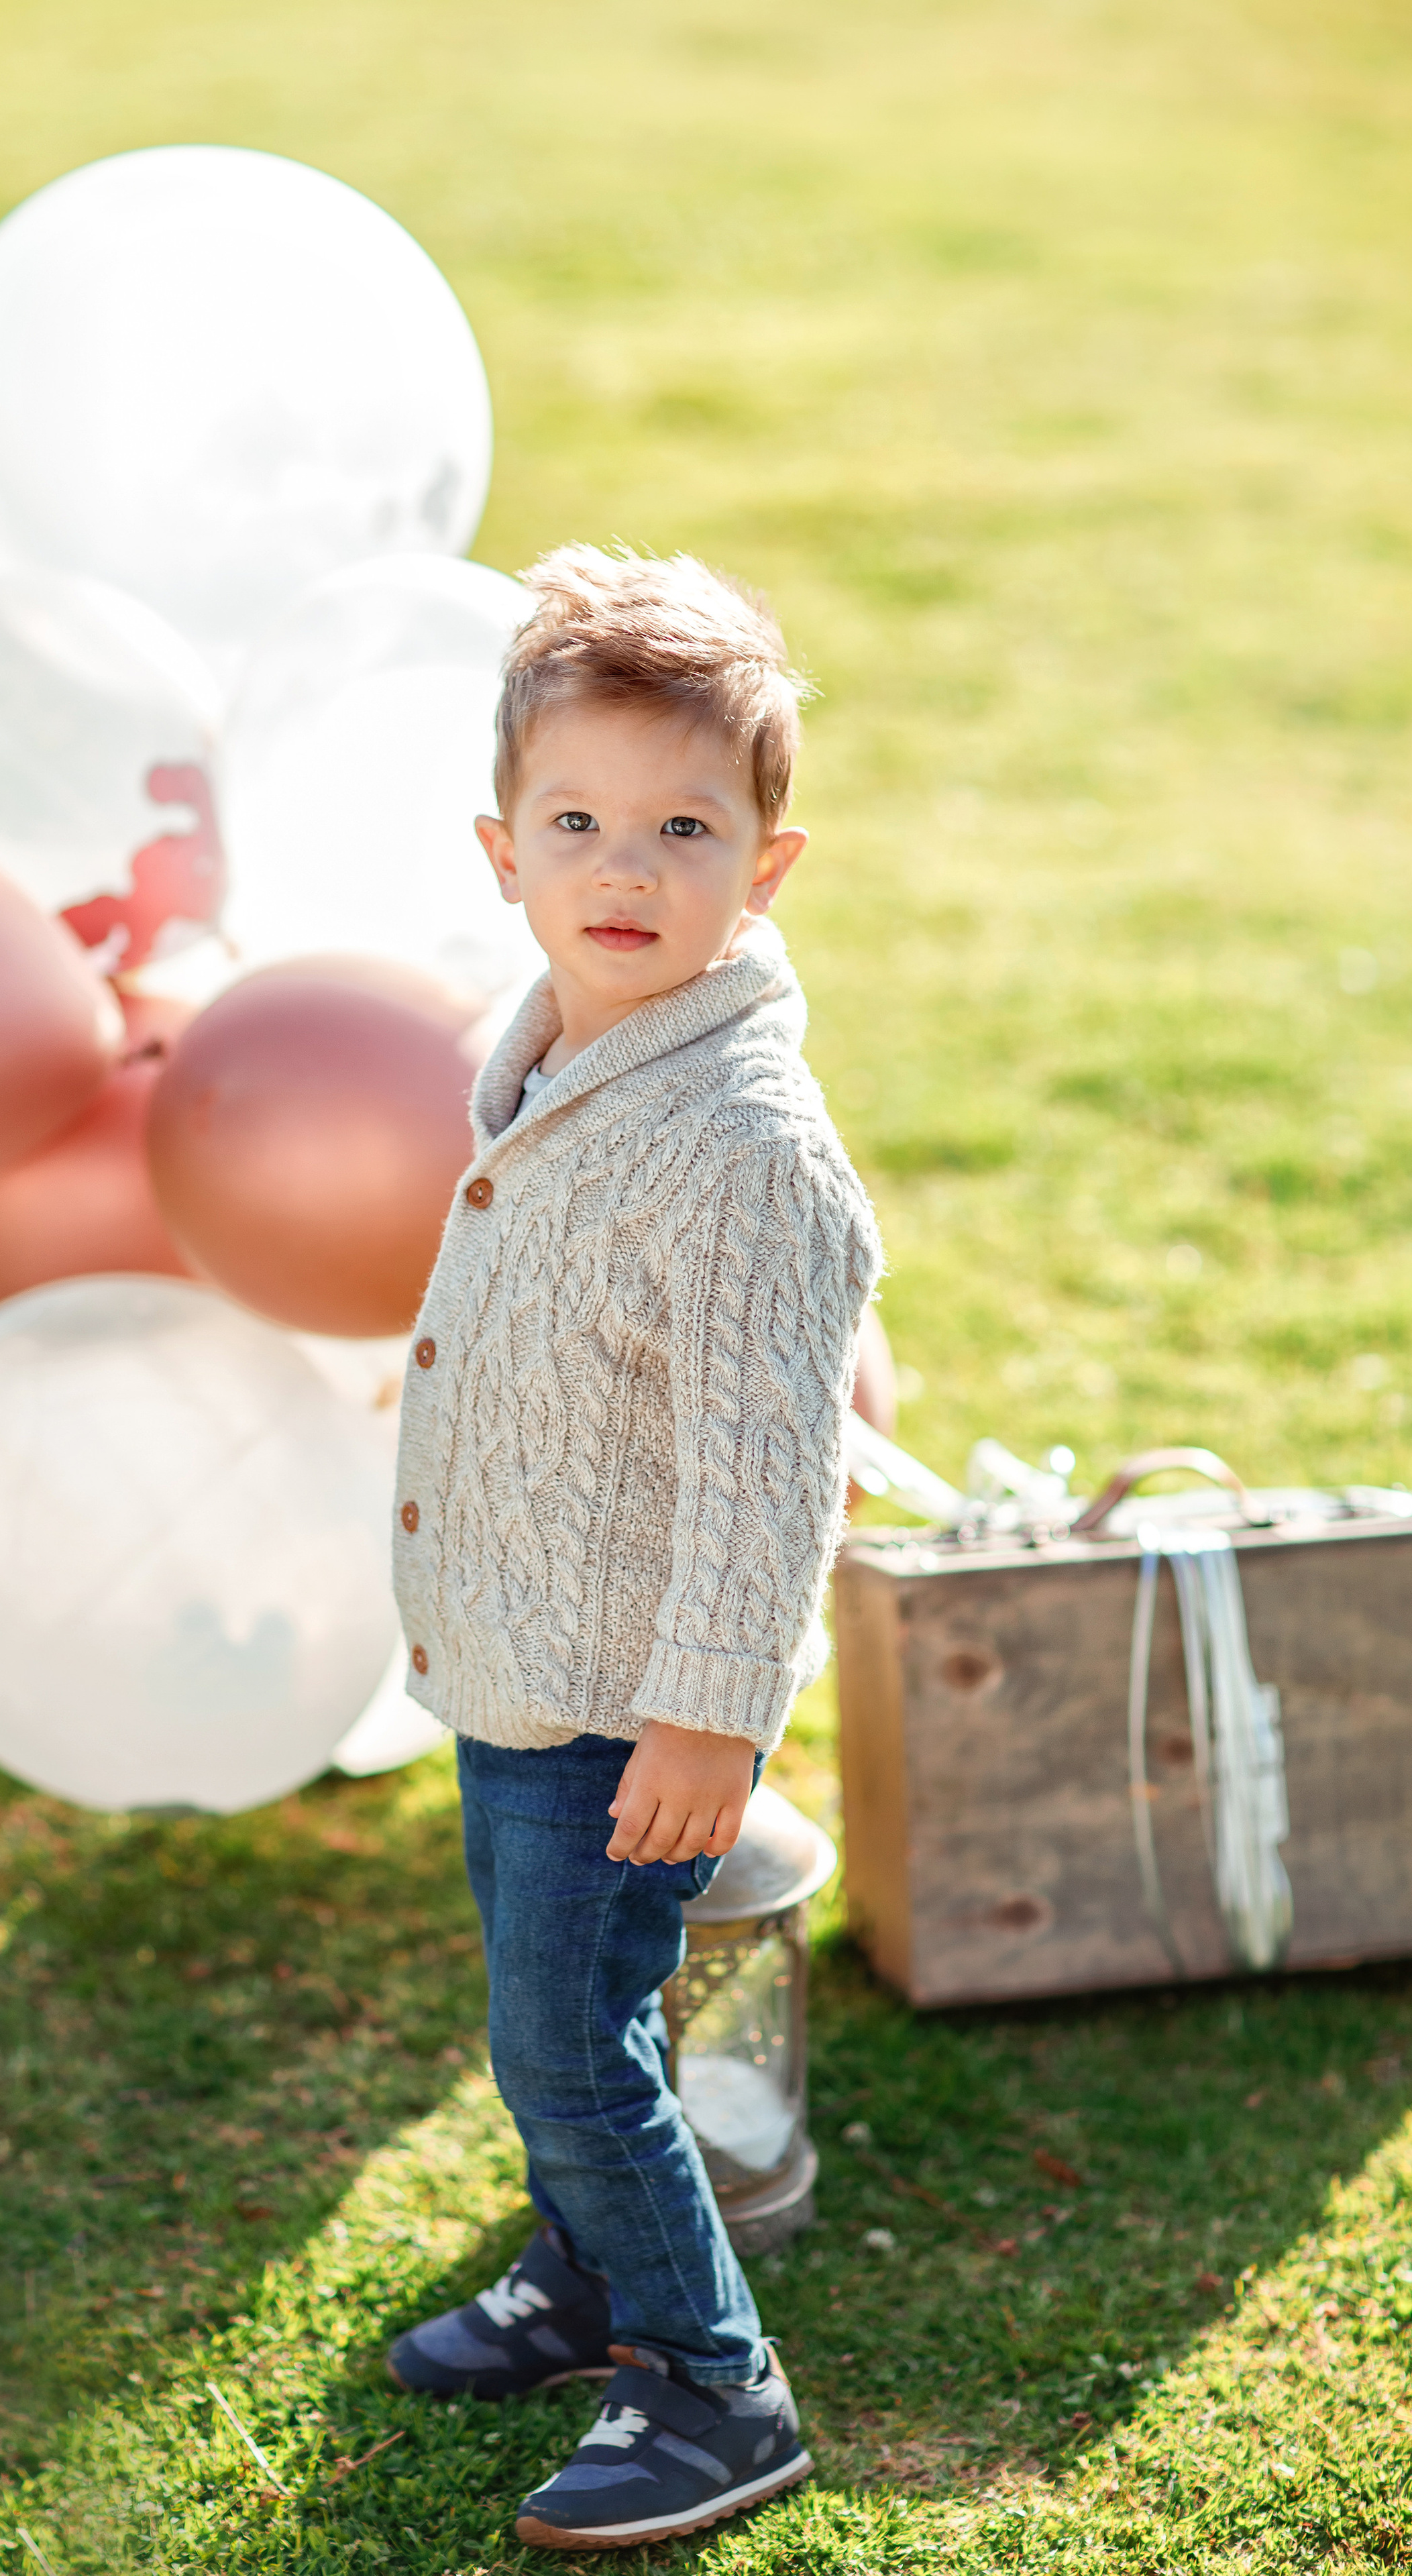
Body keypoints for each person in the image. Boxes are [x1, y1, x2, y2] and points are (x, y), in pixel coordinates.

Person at [384, 544, 883, 2551]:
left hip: (623, 1692)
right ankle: (590, 2279)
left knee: (568, 2037)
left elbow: (773, 1476)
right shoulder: (561, 1039)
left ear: (766, 865)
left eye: (686, 828)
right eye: (579, 822)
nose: (627, 865)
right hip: (523, 1643)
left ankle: (707, 2371)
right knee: (543, 2008)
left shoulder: (745, 1146)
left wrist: (708, 1720)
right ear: (502, 848)